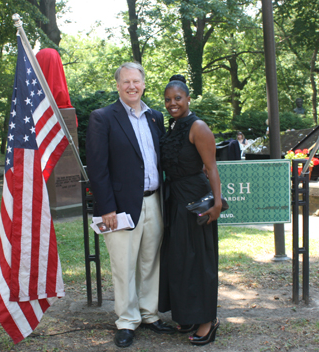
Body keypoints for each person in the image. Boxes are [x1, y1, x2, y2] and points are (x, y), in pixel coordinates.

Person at [86, 62, 175, 348]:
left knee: (150, 261)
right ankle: (126, 321)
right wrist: (106, 208)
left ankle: (149, 314)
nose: (131, 86)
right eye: (126, 82)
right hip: (120, 208)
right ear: (118, 85)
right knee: (124, 266)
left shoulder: (155, 117)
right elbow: (97, 169)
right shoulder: (103, 118)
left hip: (154, 201)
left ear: (144, 84)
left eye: (136, 81)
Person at [159, 75, 224, 346]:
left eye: (177, 98)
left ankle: (207, 321)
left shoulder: (198, 127)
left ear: (187, 99)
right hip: (174, 199)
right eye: (168, 99)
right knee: (179, 259)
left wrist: (218, 203)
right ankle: (186, 313)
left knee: (199, 261)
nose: (172, 103)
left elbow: (211, 168)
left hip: (195, 200)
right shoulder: (172, 127)